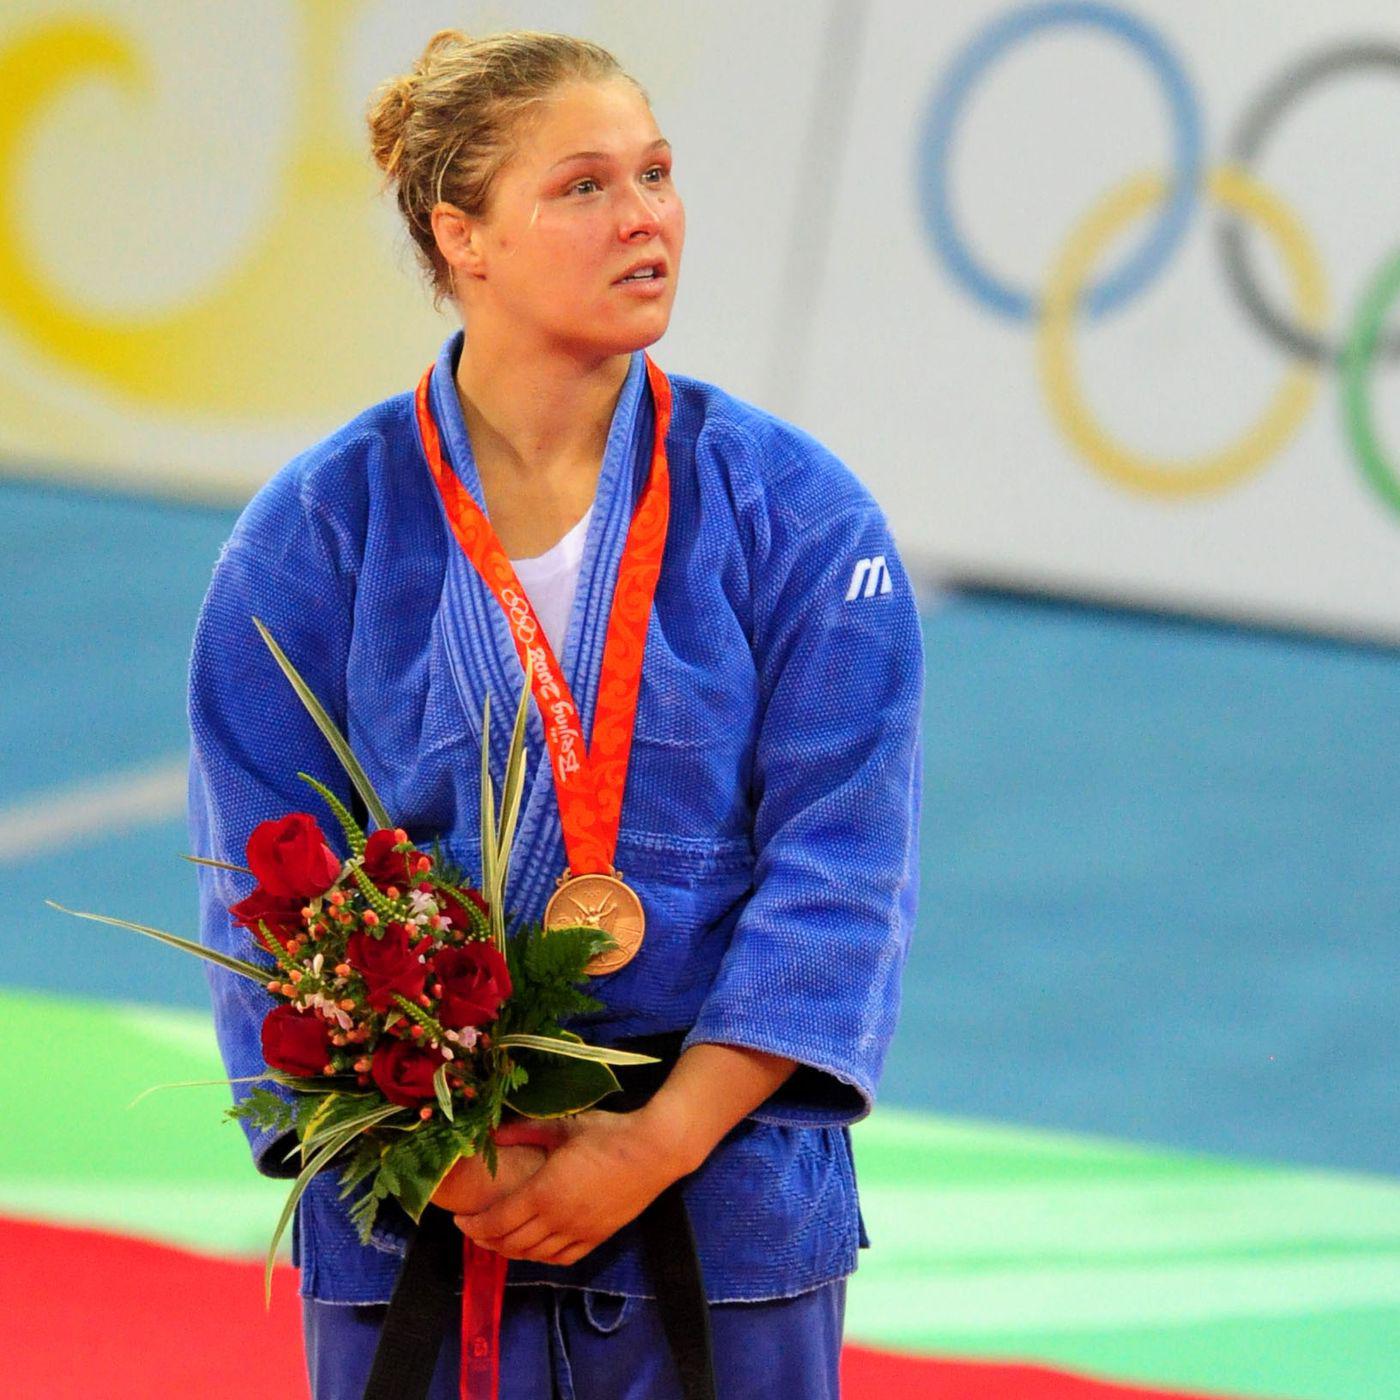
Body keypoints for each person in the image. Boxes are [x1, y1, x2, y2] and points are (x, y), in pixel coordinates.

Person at [187, 27, 923, 1400]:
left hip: (723, 1202)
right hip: (423, 1202)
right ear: (461, 235)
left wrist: (652, 1145)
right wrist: (449, 1160)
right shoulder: (311, 535)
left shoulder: (801, 518)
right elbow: (263, 891)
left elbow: (844, 874)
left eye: (654, 173)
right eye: (583, 186)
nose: (644, 216)